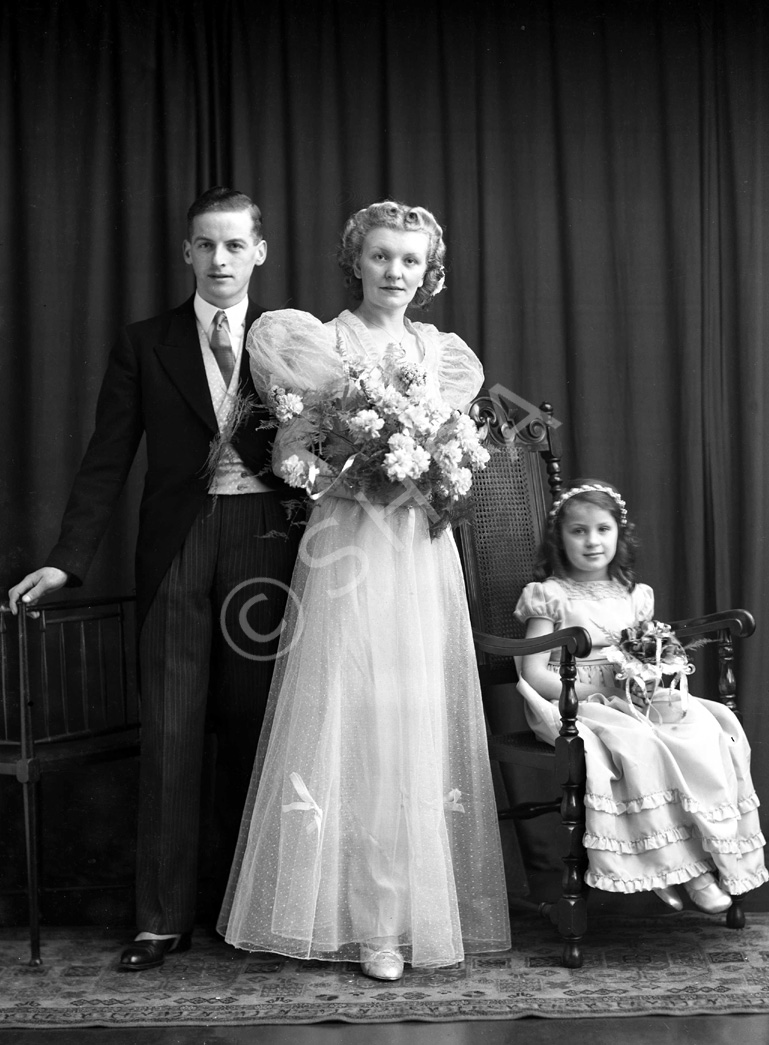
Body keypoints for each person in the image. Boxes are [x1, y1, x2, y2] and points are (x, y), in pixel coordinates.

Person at [8, 187, 300, 971]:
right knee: (169, 730)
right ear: (186, 252)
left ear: (258, 252)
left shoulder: (289, 340)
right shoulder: (146, 342)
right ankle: (159, 920)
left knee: (253, 728)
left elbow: (323, 452)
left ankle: (250, 910)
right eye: (205, 245)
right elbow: (108, 457)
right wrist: (66, 557)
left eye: (234, 245)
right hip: (175, 544)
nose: (219, 260)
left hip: (265, 545)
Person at [218, 200, 511, 981]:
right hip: (349, 547)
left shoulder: (443, 354)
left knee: (411, 723)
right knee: (353, 717)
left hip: (417, 554)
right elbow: (290, 457)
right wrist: (350, 473)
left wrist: (439, 466)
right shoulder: (321, 343)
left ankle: (414, 916)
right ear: (357, 259)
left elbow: (457, 452)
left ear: (428, 271)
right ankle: (363, 922)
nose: (395, 272)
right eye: (381, 256)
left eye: (409, 261)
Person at [514, 479, 768, 912]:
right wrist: (588, 695)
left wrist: (652, 674)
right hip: (569, 703)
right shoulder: (550, 595)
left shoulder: (634, 596)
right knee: (640, 744)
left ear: (619, 534)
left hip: (628, 697)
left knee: (707, 727)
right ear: (560, 538)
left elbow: (647, 653)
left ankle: (697, 861)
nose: (592, 541)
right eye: (578, 531)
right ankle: (663, 865)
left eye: (602, 529)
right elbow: (531, 669)